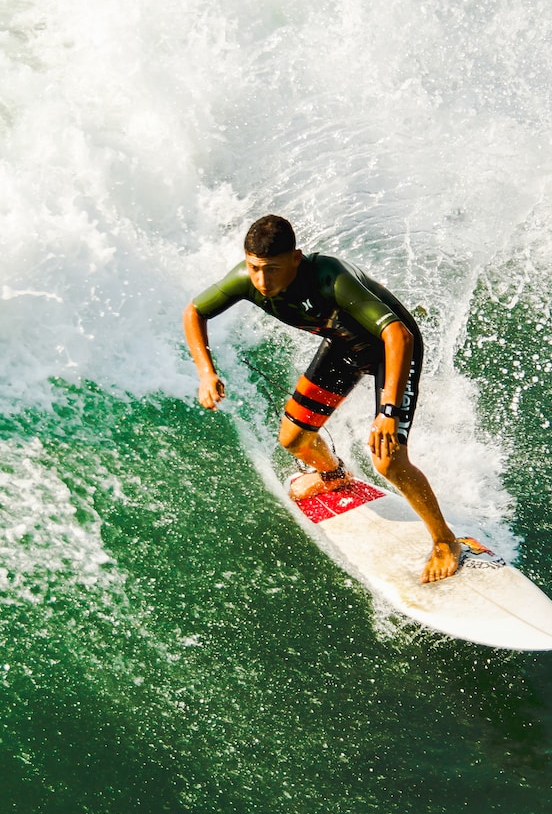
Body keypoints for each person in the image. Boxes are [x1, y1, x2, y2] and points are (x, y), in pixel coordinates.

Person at [183, 214, 463, 583]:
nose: (262, 281)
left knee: (389, 459)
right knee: (293, 439)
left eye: (272, 269)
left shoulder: (331, 278)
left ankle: (446, 542)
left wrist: (388, 412)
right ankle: (334, 475)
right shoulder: (246, 280)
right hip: (345, 347)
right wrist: (206, 372)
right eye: (254, 268)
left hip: (392, 350)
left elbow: (397, 334)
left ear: (296, 259)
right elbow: (195, 311)